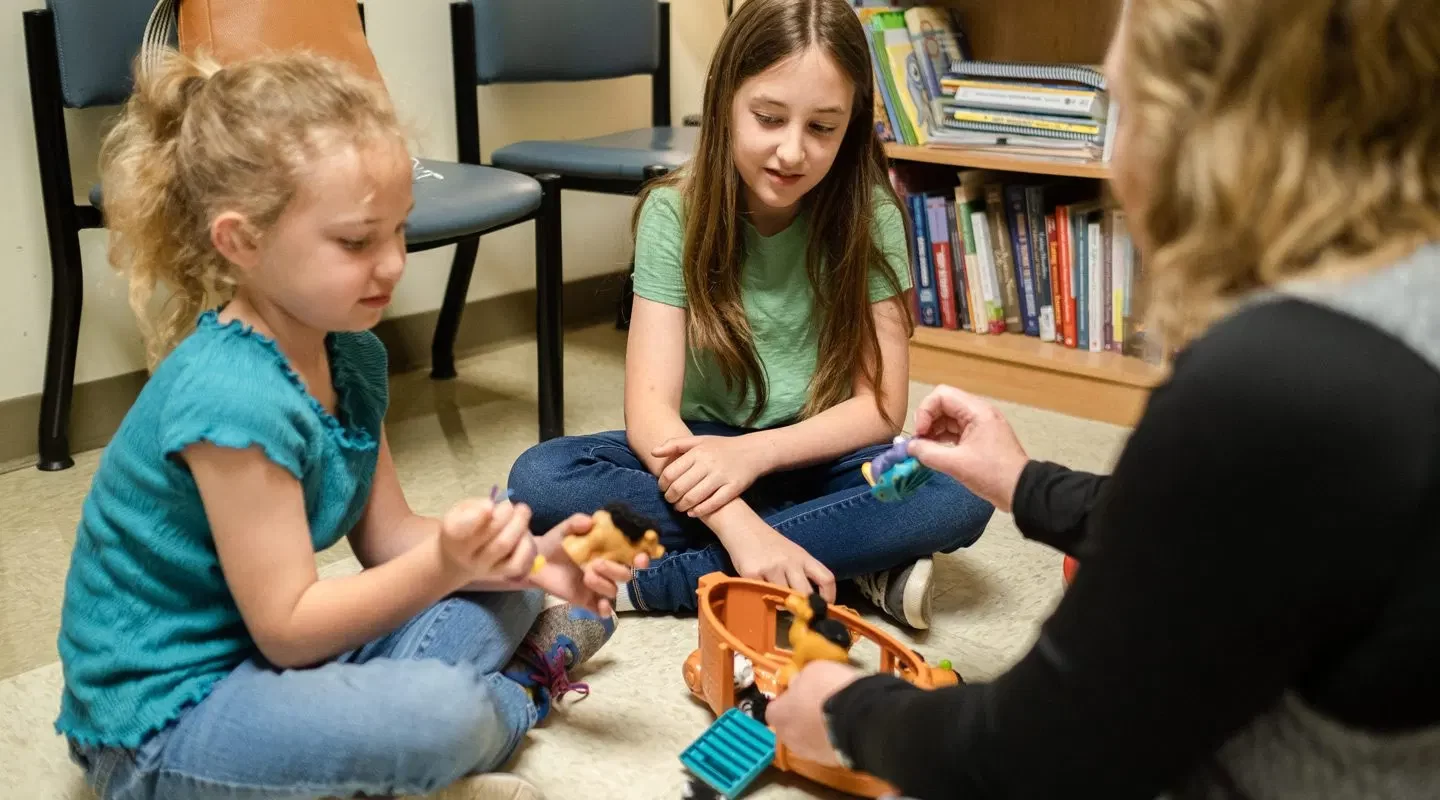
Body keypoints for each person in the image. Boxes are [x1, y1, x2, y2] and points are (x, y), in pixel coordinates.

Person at [767, 0, 1440, 797]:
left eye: (1125, 111)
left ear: (1210, 130)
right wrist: (1021, 482)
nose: (1118, 162)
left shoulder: (1272, 382)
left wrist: (851, 712)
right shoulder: (1394, 306)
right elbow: (1225, 531)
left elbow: (1033, 756)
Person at [53, 51, 646, 800]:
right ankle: (518, 693)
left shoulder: (351, 358)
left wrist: (531, 559)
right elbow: (290, 628)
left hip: (279, 670)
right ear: (241, 242)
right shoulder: (231, 398)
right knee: (441, 712)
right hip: (163, 725)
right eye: (357, 242)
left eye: (399, 231)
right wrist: (447, 568)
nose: (394, 264)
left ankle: (432, 720)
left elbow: (390, 537)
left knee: (507, 582)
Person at [505, 0, 993, 631]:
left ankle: (666, 581)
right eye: (768, 118)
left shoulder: (873, 217)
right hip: (698, 459)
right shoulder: (671, 213)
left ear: (851, 126)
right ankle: (847, 563)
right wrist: (738, 524)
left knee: (964, 487)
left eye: (822, 128)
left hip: (823, 459)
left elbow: (879, 409)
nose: (792, 152)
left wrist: (756, 458)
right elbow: (650, 415)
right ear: (724, 102)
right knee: (542, 479)